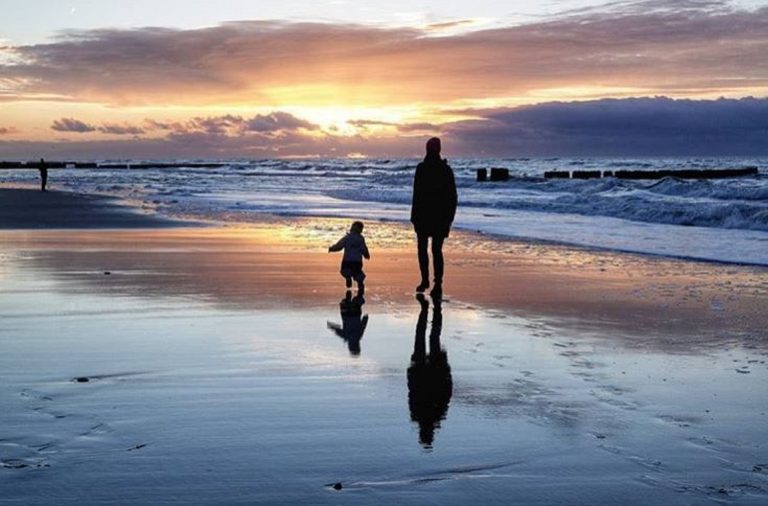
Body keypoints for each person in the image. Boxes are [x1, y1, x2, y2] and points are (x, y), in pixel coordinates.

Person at [410, 137, 457, 298]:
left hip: (427, 215)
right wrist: (450, 217)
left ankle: (427, 281)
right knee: (436, 250)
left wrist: (414, 215)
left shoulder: (423, 168)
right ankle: (436, 283)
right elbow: (452, 196)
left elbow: (417, 194)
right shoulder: (444, 169)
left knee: (425, 249)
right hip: (437, 216)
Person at [407, 294, 452, 448]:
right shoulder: (433, 415)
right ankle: (431, 309)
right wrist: (446, 371)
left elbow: (413, 392)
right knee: (427, 336)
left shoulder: (423, 415)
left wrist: (446, 371)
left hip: (426, 371)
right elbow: (446, 393)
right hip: (431, 372)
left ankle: (429, 309)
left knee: (428, 336)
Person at [328, 221, 370, 294]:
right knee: (357, 272)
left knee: (345, 270)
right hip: (357, 261)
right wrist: (366, 254)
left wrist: (332, 248)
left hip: (347, 260)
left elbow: (339, 246)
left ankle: (348, 278)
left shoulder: (347, 237)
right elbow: (364, 248)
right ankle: (360, 282)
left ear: (352, 228)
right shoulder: (360, 239)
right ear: (361, 230)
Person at [327, 291, 369, 356]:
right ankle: (347, 300)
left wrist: (365, 317)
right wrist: (330, 325)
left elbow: (363, 326)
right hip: (346, 314)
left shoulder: (358, 336)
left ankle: (355, 298)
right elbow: (337, 330)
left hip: (356, 313)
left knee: (357, 304)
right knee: (344, 305)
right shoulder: (346, 337)